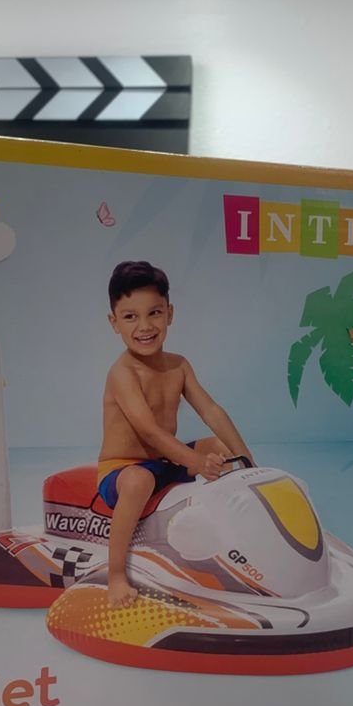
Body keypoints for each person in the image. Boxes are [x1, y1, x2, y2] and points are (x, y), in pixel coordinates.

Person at [98, 260, 253, 608]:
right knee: (138, 480)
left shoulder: (179, 365)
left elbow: (211, 410)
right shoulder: (122, 373)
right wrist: (195, 462)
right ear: (114, 322)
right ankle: (116, 575)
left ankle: (236, 531)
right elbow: (149, 431)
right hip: (123, 469)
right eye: (130, 317)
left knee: (222, 446)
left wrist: (247, 459)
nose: (144, 326)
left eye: (154, 313)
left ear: (169, 313)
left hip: (165, 461)